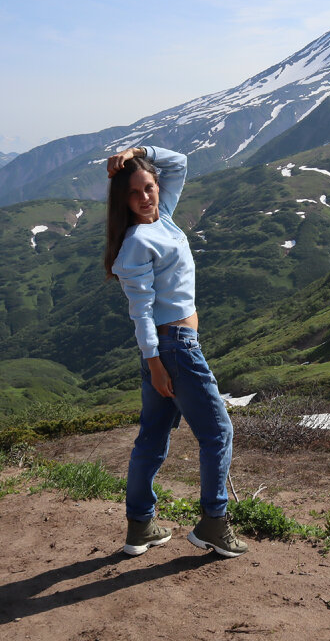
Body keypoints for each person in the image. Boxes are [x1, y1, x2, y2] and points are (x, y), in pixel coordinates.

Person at [104, 145, 247, 558]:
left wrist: (137, 151)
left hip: (170, 349)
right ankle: (213, 523)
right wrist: (155, 363)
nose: (146, 196)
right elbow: (141, 312)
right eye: (135, 193)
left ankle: (140, 526)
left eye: (149, 187)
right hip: (174, 349)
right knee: (218, 432)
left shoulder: (162, 218)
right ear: (123, 201)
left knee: (153, 436)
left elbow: (179, 162)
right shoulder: (137, 242)